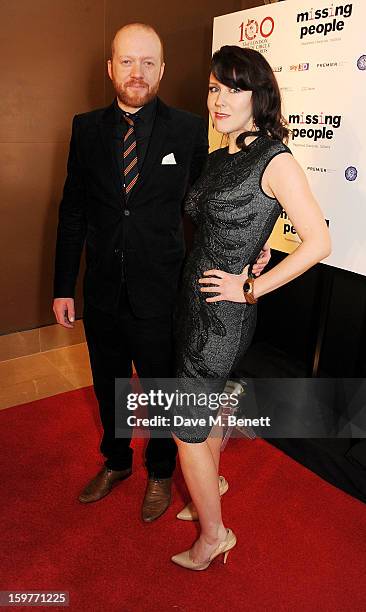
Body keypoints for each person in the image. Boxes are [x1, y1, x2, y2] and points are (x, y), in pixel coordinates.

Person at [53, 23, 271, 520]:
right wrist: (64, 286)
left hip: (165, 291)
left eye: (148, 62)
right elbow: (73, 212)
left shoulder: (190, 129)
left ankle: (160, 471)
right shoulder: (84, 129)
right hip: (102, 290)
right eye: (127, 61)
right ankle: (115, 461)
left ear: (163, 69)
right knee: (107, 383)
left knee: (162, 389)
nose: (137, 72)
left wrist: (252, 255)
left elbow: (213, 207)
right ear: (110, 68)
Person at [170, 45, 331, 570]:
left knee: (184, 427)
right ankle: (209, 485)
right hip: (199, 304)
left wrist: (251, 287)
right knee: (209, 407)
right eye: (214, 87)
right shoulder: (222, 155)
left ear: (258, 97)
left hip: (220, 317)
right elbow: (234, 222)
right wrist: (255, 246)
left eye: (232, 88)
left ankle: (213, 535)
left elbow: (318, 242)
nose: (218, 98)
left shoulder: (274, 158)